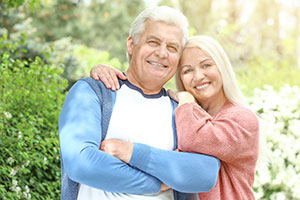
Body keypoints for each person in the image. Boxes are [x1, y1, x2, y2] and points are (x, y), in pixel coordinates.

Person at [59, 6, 220, 200]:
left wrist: (130, 152)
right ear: (131, 45)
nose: (162, 53)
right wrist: (159, 182)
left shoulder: (182, 109)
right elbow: (81, 162)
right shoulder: (93, 92)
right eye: (153, 42)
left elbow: (206, 173)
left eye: (172, 48)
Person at [90, 35, 260, 200]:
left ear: (222, 68)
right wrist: (110, 75)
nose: (198, 76)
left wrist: (187, 101)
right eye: (187, 70)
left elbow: (195, 140)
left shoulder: (242, 118)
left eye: (206, 65)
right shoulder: (181, 116)